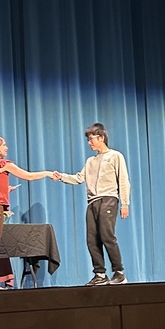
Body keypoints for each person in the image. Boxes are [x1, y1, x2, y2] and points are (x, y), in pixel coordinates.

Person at [53, 122, 131, 285]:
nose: (89, 143)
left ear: (101, 138)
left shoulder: (115, 156)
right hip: (93, 202)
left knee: (107, 236)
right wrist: (61, 176)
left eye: (91, 139)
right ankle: (100, 274)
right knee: (92, 239)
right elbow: (79, 178)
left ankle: (119, 272)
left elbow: (123, 180)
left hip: (108, 199)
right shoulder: (90, 161)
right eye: (88, 140)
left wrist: (125, 203)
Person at [0, 135, 53, 290]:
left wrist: (5, 189)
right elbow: (28, 176)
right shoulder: (2, 164)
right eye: (3, 145)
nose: (6, 148)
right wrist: (47, 173)